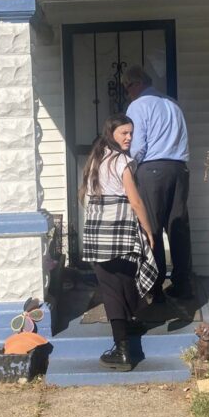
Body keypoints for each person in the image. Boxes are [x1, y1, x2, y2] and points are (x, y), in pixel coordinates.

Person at [81, 113, 158, 371]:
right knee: (116, 285)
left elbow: (87, 198)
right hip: (117, 231)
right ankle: (123, 348)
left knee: (119, 280)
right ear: (111, 134)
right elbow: (135, 201)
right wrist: (149, 231)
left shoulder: (96, 159)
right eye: (123, 133)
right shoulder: (122, 161)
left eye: (131, 133)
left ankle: (128, 323)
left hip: (97, 231)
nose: (129, 138)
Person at [123, 64, 193, 301]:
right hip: (179, 169)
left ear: (137, 83)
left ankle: (155, 287)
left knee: (150, 228)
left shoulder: (138, 105)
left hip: (153, 170)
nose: (127, 92)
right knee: (178, 228)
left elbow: (138, 146)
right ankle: (183, 284)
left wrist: (127, 170)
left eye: (127, 86)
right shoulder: (173, 104)